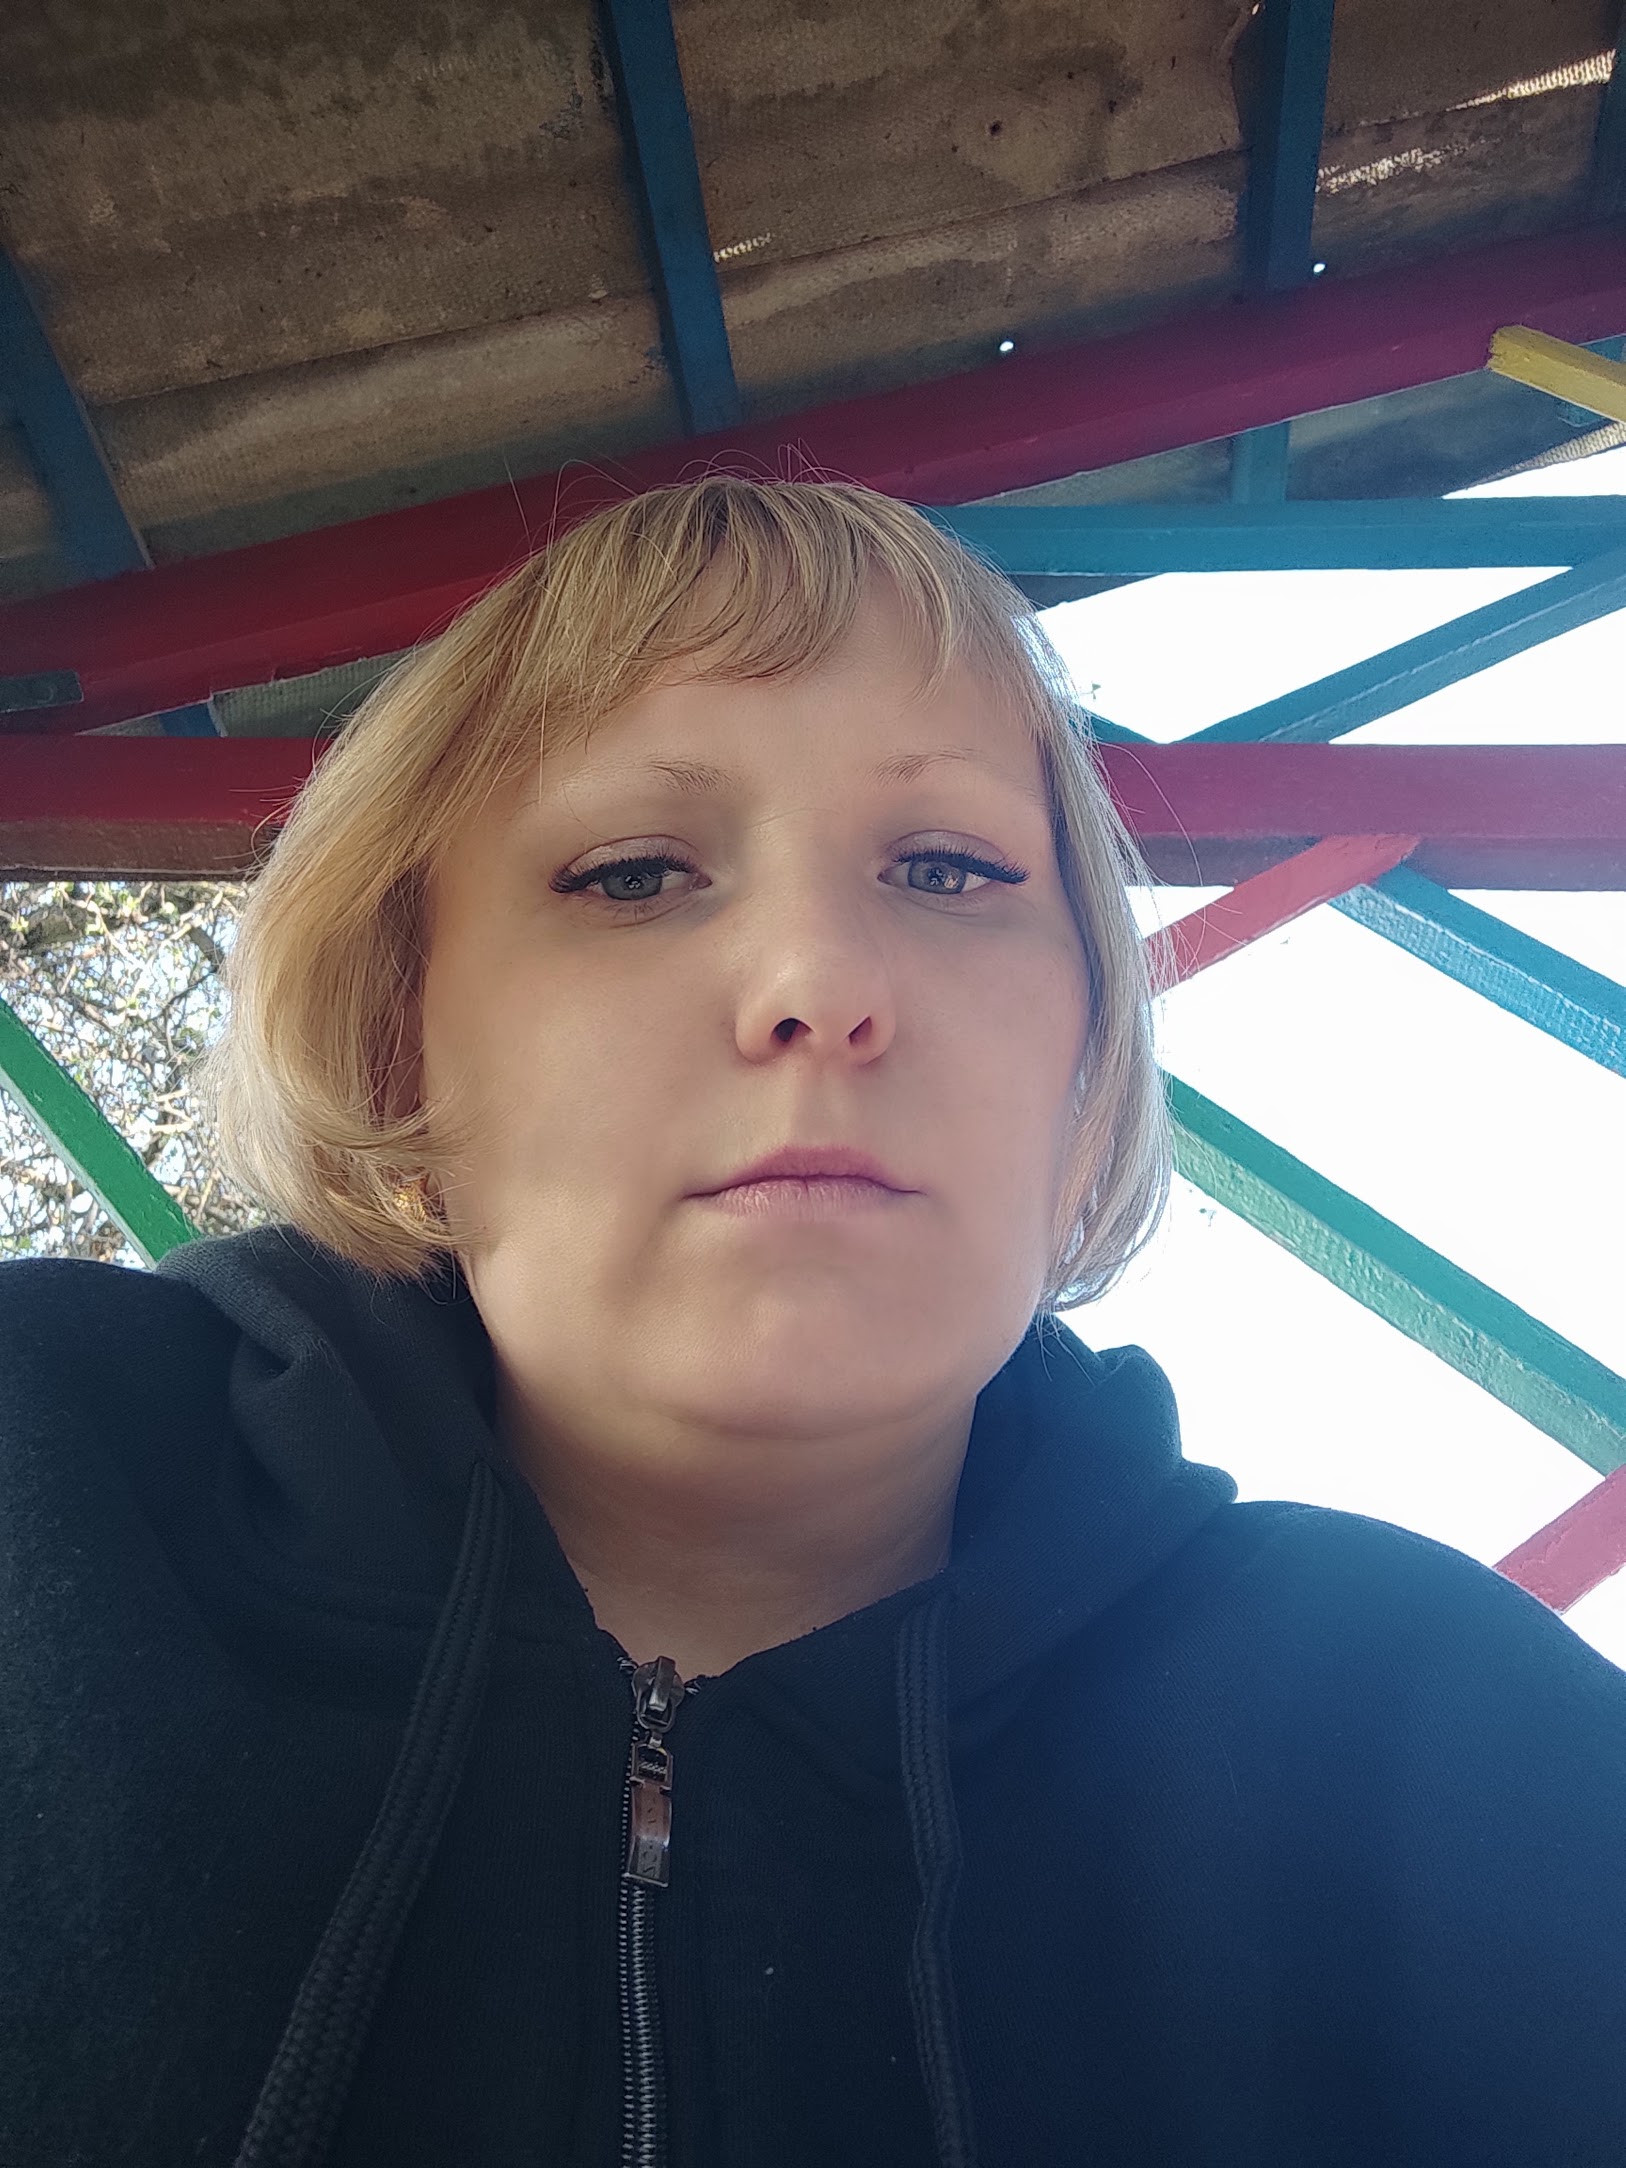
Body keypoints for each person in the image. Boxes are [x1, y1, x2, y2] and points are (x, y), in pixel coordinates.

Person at [2, 478, 1623, 2168]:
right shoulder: (46, 1492)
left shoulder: (1441, 1739)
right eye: (633, 874)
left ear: (1082, 1074)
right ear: (397, 1049)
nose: (820, 984)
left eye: (946, 867)